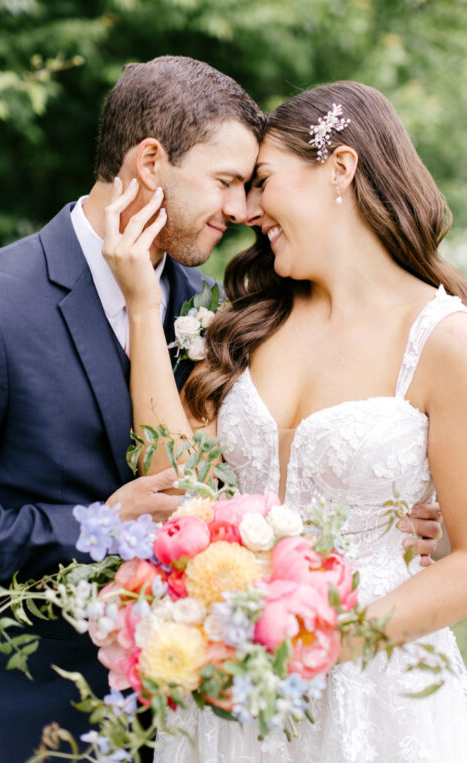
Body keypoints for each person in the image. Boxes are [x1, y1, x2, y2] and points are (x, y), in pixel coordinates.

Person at [0, 57, 443, 763]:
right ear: (150, 161)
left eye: (253, 186)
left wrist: (396, 513)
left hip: (214, 706)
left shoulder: (220, 310)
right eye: (226, 182)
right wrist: (96, 527)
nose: (242, 210)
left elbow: (211, 483)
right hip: (33, 709)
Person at [103, 80, 467, 761]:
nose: (245, 209)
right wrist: (142, 308)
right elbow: (170, 482)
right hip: (236, 687)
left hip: (373, 687)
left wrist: (316, 642)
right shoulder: (250, 325)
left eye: (263, 181)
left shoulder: (445, 341)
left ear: (340, 169)